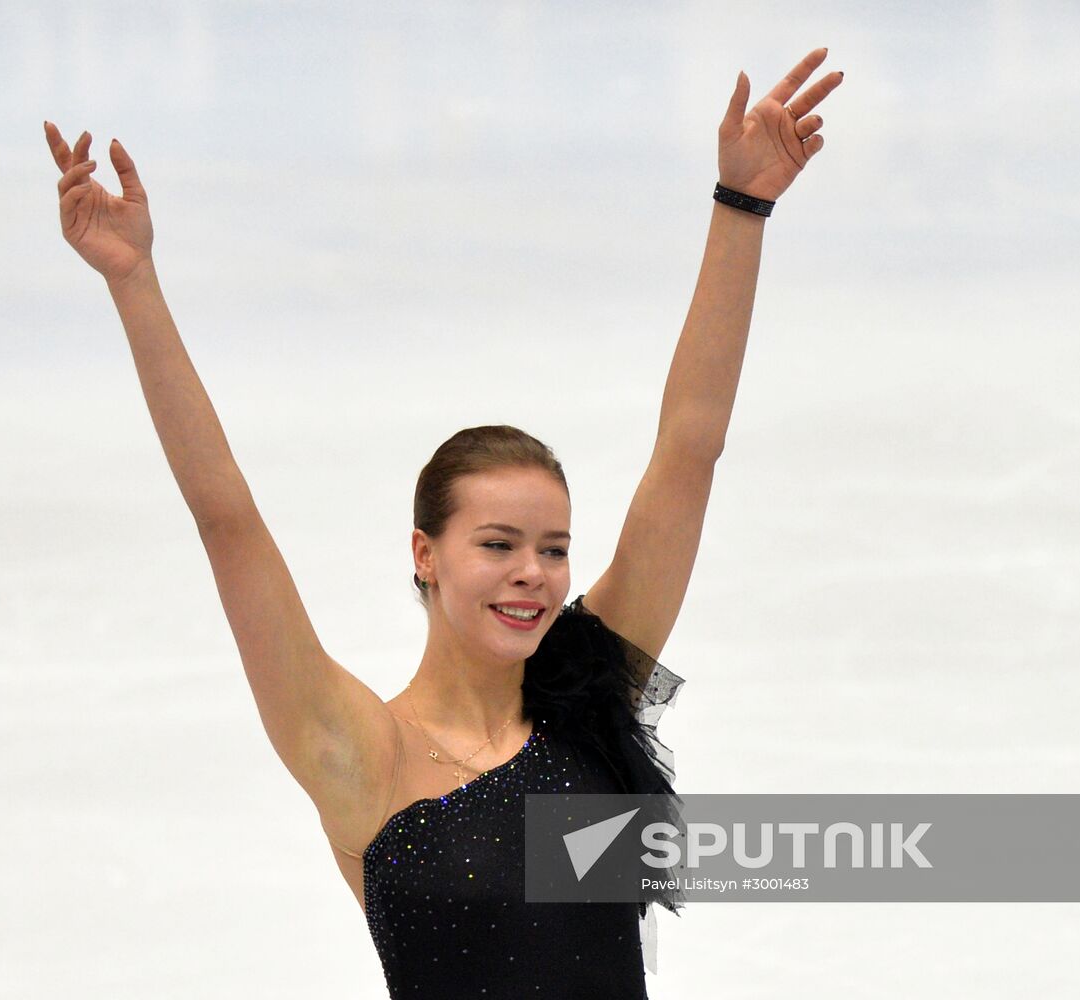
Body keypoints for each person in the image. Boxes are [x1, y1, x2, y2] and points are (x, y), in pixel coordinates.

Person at [44, 46, 842, 1000]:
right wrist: (134, 282)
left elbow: (689, 450)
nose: (533, 575)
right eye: (497, 546)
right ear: (425, 554)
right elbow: (230, 523)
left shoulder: (590, 696)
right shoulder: (360, 754)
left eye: (553, 550)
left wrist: (740, 208)